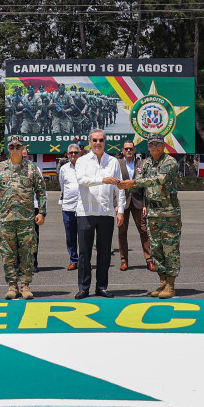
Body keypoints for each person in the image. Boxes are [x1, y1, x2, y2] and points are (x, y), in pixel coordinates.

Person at [118, 134, 182, 298]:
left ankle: (171, 285)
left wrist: (134, 183)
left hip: (168, 212)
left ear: (164, 145)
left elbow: (159, 179)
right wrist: (120, 184)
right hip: (153, 212)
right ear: (148, 147)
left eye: (157, 144)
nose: (154, 147)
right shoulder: (146, 163)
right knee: (156, 249)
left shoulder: (170, 162)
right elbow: (139, 181)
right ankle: (162, 281)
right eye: (151, 144)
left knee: (170, 249)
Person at [0, 136, 46, 300]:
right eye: (12, 147)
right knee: (8, 253)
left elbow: (41, 191)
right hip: (6, 219)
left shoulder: (31, 168)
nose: (15, 149)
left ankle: (25, 285)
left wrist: (42, 212)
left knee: (27, 252)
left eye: (18, 146)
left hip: (26, 219)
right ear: (8, 148)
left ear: (22, 148)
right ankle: (12, 286)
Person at [74, 128, 126, 299]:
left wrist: (121, 210)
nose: (98, 143)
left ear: (105, 142)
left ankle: (101, 286)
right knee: (85, 253)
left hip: (106, 212)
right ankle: (83, 288)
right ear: (89, 142)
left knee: (104, 253)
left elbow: (120, 188)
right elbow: (82, 180)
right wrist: (102, 180)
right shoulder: (82, 161)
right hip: (86, 212)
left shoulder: (113, 161)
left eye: (101, 140)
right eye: (95, 140)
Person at [116, 139, 154, 272]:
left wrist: (145, 204)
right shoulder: (117, 164)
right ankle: (124, 260)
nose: (128, 151)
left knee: (144, 231)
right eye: (126, 149)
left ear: (135, 150)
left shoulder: (142, 164)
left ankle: (149, 260)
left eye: (130, 149)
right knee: (122, 232)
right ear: (122, 150)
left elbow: (146, 185)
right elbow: (114, 186)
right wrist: (116, 204)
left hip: (138, 202)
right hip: (122, 203)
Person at [58, 142, 83, 270]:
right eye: (71, 153)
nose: (73, 155)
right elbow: (62, 186)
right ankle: (73, 260)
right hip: (68, 207)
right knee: (70, 236)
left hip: (83, 207)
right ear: (67, 154)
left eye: (76, 152)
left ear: (80, 153)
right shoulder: (64, 169)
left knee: (84, 237)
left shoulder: (85, 167)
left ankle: (84, 261)